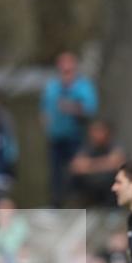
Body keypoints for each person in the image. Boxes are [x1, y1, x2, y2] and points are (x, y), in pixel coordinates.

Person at [40, 52, 98, 208]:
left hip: (76, 138)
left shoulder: (83, 86)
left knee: (77, 173)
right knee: (55, 175)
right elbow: (45, 108)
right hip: (56, 138)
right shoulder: (52, 87)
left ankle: (80, 205)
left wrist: (71, 106)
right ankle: (56, 206)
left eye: (69, 70)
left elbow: (90, 109)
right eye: (62, 70)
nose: (65, 74)